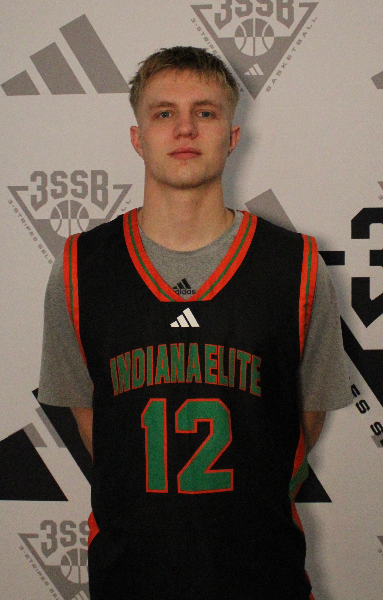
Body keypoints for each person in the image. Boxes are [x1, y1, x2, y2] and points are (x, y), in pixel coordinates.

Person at [39, 46, 352, 599]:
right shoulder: (82, 267)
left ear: (232, 137)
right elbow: (97, 426)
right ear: (138, 137)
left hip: (262, 578)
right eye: (164, 113)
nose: (185, 128)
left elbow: (300, 426)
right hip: (131, 578)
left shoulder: (296, 266)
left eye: (205, 112)